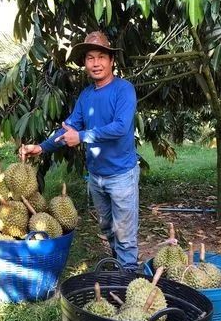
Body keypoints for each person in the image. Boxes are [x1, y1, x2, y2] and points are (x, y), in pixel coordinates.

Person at [20, 31, 139, 272]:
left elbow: (120, 127)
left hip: (122, 176)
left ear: (111, 60)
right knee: (107, 229)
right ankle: (119, 269)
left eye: (101, 57)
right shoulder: (86, 96)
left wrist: (82, 136)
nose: (96, 63)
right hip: (97, 177)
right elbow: (69, 129)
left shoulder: (123, 90)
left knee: (125, 235)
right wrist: (41, 147)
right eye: (90, 58)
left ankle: (128, 278)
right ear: (84, 63)